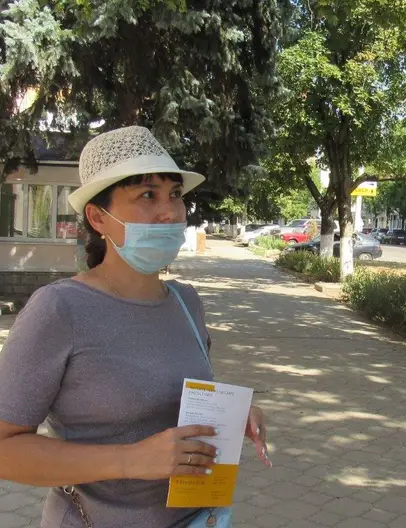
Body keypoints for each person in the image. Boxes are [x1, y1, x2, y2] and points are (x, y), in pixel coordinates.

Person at [0, 126, 270, 527]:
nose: (170, 211)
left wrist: (229, 413)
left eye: (175, 195)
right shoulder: (59, 310)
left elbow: (172, 398)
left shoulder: (186, 301)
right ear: (98, 217)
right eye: (147, 195)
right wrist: (130, 460)